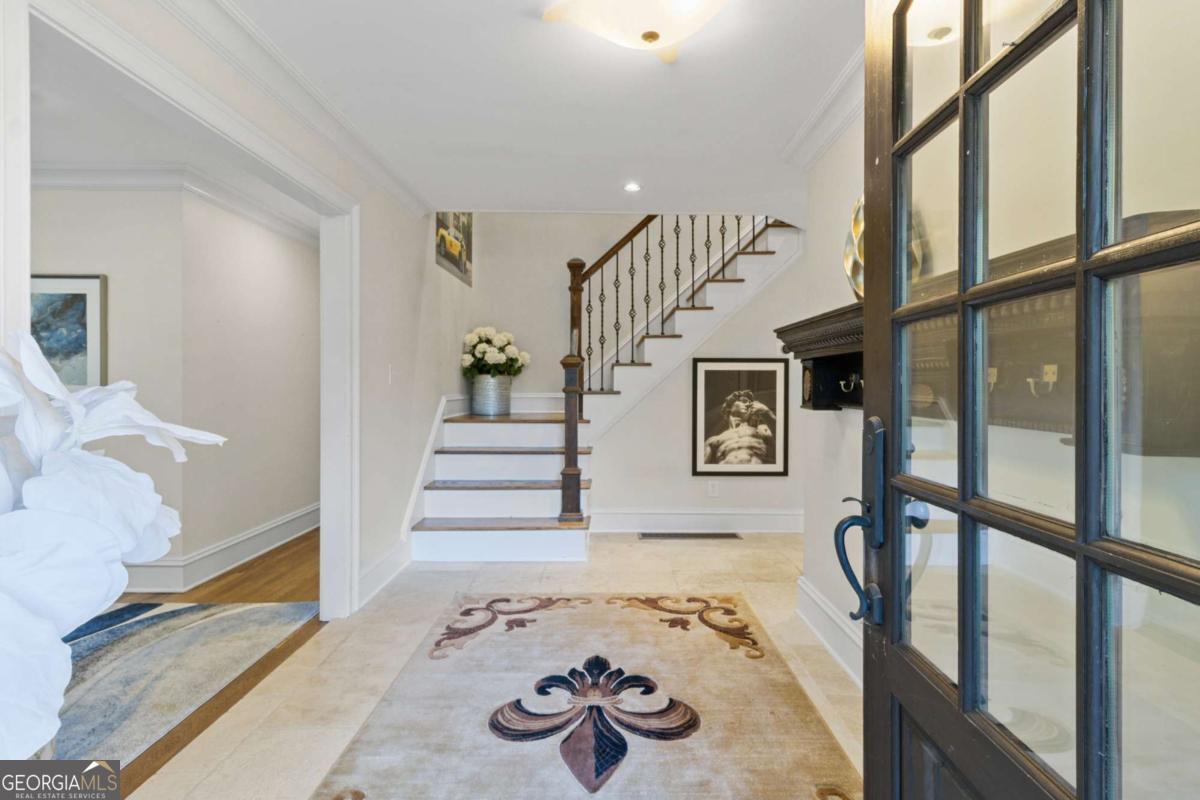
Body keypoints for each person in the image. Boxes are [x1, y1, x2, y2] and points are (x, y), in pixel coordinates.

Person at [704, 389, 776, 465]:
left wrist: (767, 413)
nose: (748, 405)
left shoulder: (762, 429)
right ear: (729, 408)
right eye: (744, 401)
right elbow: (702, 468)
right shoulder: (714, 440)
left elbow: (782, 441)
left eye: (750, 403)